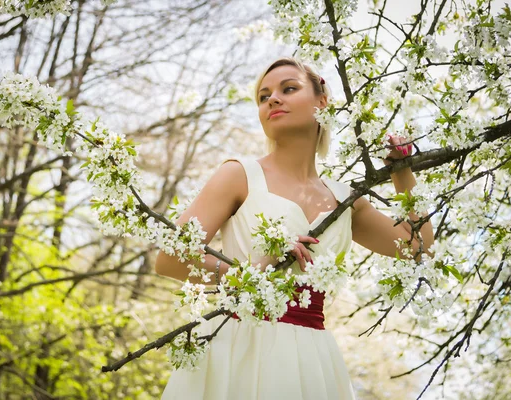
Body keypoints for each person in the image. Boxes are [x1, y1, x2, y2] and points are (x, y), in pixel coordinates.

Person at [155, 57, 434, 399]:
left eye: (289, 89)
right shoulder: (239, 175)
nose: (272, 99)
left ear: (322, 101)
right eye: (263, 96)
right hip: (238, 346)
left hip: (310, 357)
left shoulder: (347, 199)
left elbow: (418, 247)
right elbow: (169, 259)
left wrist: (402, 170)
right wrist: (247, 273)